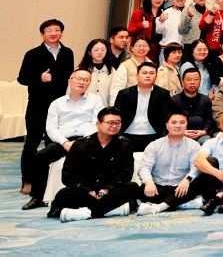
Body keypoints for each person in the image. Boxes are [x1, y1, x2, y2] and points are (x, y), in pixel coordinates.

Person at [22, 70, 103, 210]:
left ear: (89, 83)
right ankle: (38, 196)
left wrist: (80, 142)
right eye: (79, 79)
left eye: (86, 80)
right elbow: (51, 128)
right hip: (64, 140)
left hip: (88, 140)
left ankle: (95, 193)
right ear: (70, 80)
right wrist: (64, 142)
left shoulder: (96, 100)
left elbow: (96, 124)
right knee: (39, 157)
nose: (82, 82)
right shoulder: (57, 103)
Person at [43, 107, 136, 221]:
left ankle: (85, 213)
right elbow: (68, 175)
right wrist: (89, 191)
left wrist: (105, 189)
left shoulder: (125, 144)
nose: (114, 126)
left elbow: (125, 174)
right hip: (85, 192)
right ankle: (111, 210)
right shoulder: (80, 144)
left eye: (118, 123)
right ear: (98, 124)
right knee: (64, 194)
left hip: (109, 191)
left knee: (133, 187)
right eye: (110, 123)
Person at [19, 19, 77, 196]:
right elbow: (22, 78)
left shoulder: (67, 53)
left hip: (59, 106)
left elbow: (68, 77)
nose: (53, 33)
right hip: (37, 105)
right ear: (42, 34)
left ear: (61, 33)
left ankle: (50, 182)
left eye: (56, 30)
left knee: (53, 144)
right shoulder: (33, 54)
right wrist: (39, 78)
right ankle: (28, 181)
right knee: (32, 143)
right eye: (49, 30)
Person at [134, 111, 204, 216]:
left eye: (182, 122)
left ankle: (160, 206)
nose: (178, 125)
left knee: (200, 180)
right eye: (174, 122)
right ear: (167, 125)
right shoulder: (154, 145)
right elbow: (144, 167)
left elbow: (196, 167)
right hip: (158, 187)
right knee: (140, 189)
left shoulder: (194, 146)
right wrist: (149, 182)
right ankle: (181, 203)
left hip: (181, 187)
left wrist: (187, 180)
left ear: (186, 125)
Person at [114, 62, 172, 148]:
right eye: (144, 73)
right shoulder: (124, 94)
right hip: (127, 135)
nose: (148, 75)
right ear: (137, 76)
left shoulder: (163, 94)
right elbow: (116, 116)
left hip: (154, 136)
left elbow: (167, 116)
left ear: (156, 76)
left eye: (151, 73)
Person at [172, 68, 213, 142]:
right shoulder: (174, 100)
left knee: (206, 141)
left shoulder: (206, 100)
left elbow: (209, 121)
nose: (192, 82)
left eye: (196, 79)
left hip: (201, 134)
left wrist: (203, 132)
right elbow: (170, 122)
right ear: (182, 82)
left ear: (200, 82)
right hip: (180, 133)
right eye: (188, 80)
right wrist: (182, 132)